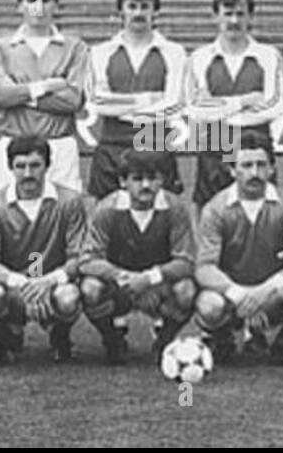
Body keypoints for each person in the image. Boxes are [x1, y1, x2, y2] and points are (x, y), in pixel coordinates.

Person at [194, 131, 283, 365]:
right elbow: (204, 267)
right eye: (246, 165)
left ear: (272, 168)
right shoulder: (215, 208)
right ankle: (224, 340)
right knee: (208, 304)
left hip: (273, 295)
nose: (254, 173)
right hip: (233, 297)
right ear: (232, 170)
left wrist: (265, 291)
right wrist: (239, 294)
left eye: (261, 165)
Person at [0, 135, 87, 364]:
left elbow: (80, 256)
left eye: (35, 165)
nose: (27, 173)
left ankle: (60, 336)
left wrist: (49, 280)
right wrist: (23, 283)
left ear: (47, 166)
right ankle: (5, 336)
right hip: (14, 286)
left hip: (52, 285)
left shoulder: (70, 201)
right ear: (10, 168)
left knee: (69, 297)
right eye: (20, 166)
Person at [78, 150, 197, 364]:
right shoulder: (107, 209)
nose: (145, 185)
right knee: (90, 288)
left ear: (162, 180)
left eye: (153, 178)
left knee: (186, 290)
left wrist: (150, 278)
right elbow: (87, 260)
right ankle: (111, 339)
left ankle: (164, 340)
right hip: (120, 287)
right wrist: (123, 276)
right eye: (137, 179)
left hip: (157, 287)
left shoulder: (175, 208)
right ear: (123, 181)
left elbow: (187, 261)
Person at [0, 0, 90, 192]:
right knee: (10, 214)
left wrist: (19, 94)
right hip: (14, 143)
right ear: (19, 6)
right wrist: (45, 87)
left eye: (45, 0)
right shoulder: (2, 48)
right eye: (32, 0)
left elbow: (72, 100)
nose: (38, 7)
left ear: (56, 6)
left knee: (62, 212)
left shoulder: (75, 47)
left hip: (58, 143)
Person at [86, 0, 188, 199]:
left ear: (155, 11)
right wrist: (145, 101)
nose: (138, 13)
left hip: (156, 139)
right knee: (107, 214)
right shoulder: (101, 52)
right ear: (121, 11)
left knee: (161, 215)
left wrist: (121, 107)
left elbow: (175, 104)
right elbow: (97, 102)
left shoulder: (174, 52)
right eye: (132, 6)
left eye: (145, 7)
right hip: (113, 140)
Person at [184, 0, 283, 206]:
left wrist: (217, 108)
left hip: (255, 145)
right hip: (214, 145)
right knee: (211, 213)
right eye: (227, 13)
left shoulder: (268, 56)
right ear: (215, 16)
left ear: (250, 16)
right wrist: (243, 102)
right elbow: (193, 109)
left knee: (262, 215)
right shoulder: (199, 58)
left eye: (240, 14)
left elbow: (274, 107)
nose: (233, 20)